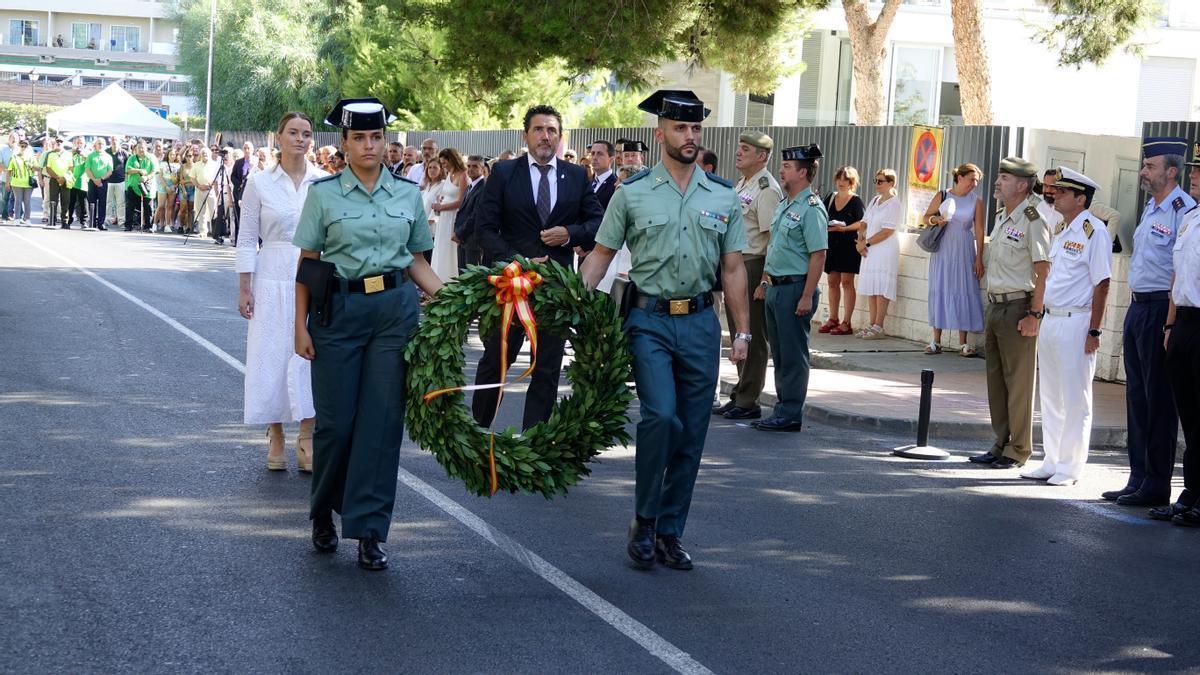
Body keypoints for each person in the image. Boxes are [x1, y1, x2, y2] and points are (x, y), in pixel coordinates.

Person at [580, 90, 748, 571]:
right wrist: (573, 306)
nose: (690, 136)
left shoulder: (722, 195)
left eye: (696, 129)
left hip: (699, 322)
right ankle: (645, 519)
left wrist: (743, 333)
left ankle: (671, 532)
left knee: (692, 433)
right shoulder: (631, 194)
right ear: (661, 135)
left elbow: (734, 270)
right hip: (648, 320)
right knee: (661, 417)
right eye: (680, 128)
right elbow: (601, 257)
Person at [292, 97, 442, 571]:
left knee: (380, 425)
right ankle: (323, 511)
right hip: (339, 312)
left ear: (385, 141)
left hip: (394, 314)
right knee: (336, 424)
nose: (369, 145)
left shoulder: (406, 194)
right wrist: (300, 326)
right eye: (359, 138)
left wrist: (454, 299)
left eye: (376, 137)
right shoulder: (324, 194)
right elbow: (309, 265)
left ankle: (370, 530)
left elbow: (418, 261)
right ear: (345, 143)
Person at [472, 104, 603, 431]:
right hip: (511, 285)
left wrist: (570, 233)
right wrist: (517, 260)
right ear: (525, 135)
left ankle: (535, 440)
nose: (546, 136)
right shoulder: (504, 173)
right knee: (496, 360)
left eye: (552, 131)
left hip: (556, 290)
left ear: (560, 137)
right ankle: (477, 431)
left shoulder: (575, 175)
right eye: (539, 130)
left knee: (547, 367)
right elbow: (484, 229)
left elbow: (598, 221)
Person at [1103, 137, 1195, 506]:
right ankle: (1137, 477)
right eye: (1144, 165)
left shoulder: (1182, 210)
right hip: (1138, 307)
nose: (1142, 171)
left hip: (1161, 309)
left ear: (1172, 171)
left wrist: (1170, 323)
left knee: (1159, 399)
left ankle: (1157, 482)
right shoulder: (1150, 209)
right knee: (1137, 396)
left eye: (1150, 166)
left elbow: (1179, 271)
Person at [237, 113, 322, 472]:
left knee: (310, 353)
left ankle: (307, 434)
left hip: (313, 272)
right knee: (271, 353)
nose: (300, 139)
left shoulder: (323, 182)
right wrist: (245, 287)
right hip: (271, 273)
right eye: (293, 133)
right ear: (279, 137)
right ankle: (275, 435)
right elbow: (245, 237)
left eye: (306, 134)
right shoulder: (258, 182)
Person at [1019, 168, 1110, 486]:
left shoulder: (1093, 231)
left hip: (1076, 321)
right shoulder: (1062, 229)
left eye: (1062, 192)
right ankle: (1052, 460)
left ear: (1080, 198)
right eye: (1055, 191)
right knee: (1051, 396)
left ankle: (1070, 467)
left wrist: (1094, 331)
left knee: (1075, 398)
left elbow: (1102, 284)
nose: (1054, 195)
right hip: (1052, 319)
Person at [969, 157, 1051, 471]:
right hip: (996, 305)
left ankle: (1018, 449)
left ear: (1022, 184)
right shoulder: (1004, 216)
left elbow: (1043, 272)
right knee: (996, 381)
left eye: (1004, 177)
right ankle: (999, 443)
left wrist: (1035, 314)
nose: (997, 182)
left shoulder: (1033, 219)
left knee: (1018, 384)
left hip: (1019, 306)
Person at [753, 144, 828, 433]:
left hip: (796, 288)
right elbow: (774, 247)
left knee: (794, 355)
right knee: (780, 353)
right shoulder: (785, 205)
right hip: (776, 287)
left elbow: (818, 254)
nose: (781, 170)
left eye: (787, 167)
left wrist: (807, 295)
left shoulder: (811, 208)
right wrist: (763, 281)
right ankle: (782, 409)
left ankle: (790, 412)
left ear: (803, 172)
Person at [714, 131, 782, 421]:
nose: (738, 153)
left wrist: (765, 279)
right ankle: (741, 391)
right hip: (737, 264)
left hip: (754, 265)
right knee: (738, 332)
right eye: (739, 148)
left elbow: (772, 238)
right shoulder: (744, 182)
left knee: (751, 334)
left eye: (745, 149)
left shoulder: (767, 188)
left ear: (762, 156)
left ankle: (749, 398)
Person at [1152, 143, 1200, 525]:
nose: (1193, 175)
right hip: (1183, 323)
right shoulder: (1190, 218)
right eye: (1194, 168)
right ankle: (1191, 493)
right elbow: (1176, 276)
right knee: (1191, 417)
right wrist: (1169, 325)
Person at [922, 163, 985, 355]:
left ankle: (963, 343)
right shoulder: (943, 195)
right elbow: (926, 218)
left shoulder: (976, 201)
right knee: (940, 287)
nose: (974, 183)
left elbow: (980, 230)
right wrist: (936, 220)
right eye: (971, 179)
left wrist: (979, 258)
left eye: (977, 180)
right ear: (960, 177)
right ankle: (936, 341)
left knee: (963, 289)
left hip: (965, 249)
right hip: (943, 249)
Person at [851, 169, 902, 339]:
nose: (877, 184)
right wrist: (860, 240)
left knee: (881, 287)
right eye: (876, 181)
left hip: (884, 249)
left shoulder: (894, 203)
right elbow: (864, 223)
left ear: (890, 183)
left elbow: (888, 230)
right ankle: (872, 324)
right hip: (870, 248)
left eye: (881, 181)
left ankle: (879, 326)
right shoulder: (875, 200)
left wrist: (866, 242)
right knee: (872, 286)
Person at [820, 166, 866, 336]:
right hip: (832, 243)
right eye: (839, 179)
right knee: (832, 281)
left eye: (845, 179)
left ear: (851, 182)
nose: (841, 182)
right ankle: (833, 318)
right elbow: (821, 215)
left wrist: (845, 228)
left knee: (847, 282)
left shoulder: (856, 201)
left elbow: (862, 222)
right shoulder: (830, 198)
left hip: (848, 244)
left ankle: (847, 322)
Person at [429, 148, 468, 280]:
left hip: (454, 217)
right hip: (444, 218)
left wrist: (442, 206)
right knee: (441, 248)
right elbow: (448, 193)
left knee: (450, 249)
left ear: (452, 160)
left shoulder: (463, 175)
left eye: (445, 163)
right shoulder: (449, 174)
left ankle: (450, 279)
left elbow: (461, 201)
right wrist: (441, 199)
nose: (443, 166)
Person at [453, 154, 487, 269]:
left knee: (471, 278)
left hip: (473, 240)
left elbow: (475, 215)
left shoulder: (484, 188)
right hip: (464, 239)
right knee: (462, 274)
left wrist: (459, 233)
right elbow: (462, 212)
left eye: (475, 166)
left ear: (482, 169)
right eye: (469, 166)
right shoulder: (470, 187)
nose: (471, 169)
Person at [124, 141, 155, 232]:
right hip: (133, 186)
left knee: (148, 207)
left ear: (146, 148)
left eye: (142, 148)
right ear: (136, 149)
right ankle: (128, 225)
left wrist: (147, 177)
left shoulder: (151, 158)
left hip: (146, 187)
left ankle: (148, 226)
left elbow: (154, 171)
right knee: (130, 207)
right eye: (139, 148)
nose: (141, 150)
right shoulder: (132, 158)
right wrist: (139, 171)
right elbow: (128, 170)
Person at [84, 138, 113, 231]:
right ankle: (92, 222)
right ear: (95, 145)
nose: (100, 145)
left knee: (102, 203)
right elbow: (87, 169)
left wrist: (101, 179)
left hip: (103, 182)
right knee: (92, 202)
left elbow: (110, 170)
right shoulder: (91, 156)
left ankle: (101, 223)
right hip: (92, 181)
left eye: (102, 144)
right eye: (99, 143)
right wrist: (94, 179)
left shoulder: (108, 156)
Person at [43, 138, 70, 229]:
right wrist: (57, 177)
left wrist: (63, 177)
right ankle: (52, 220)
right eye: (57, 142)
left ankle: (64, 221)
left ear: (63, 143)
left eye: (60, 142)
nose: (59, 143)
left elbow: (71, 168)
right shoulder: (50, 154)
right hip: (54, 180)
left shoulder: (68, 154)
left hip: (65, 180)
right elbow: (48, 168)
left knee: (65, 201)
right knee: (53, 201)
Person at [6, 139, 34, 226]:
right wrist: (7, 182)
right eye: (22, 146)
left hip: (28, 183)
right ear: (19, 147)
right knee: (18, 201)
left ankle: (27, 219)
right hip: (16, 183)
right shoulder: (14, 157)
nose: (24, 148)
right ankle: (17, 218)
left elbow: (37, 168)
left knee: (27, 201)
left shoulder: (31, 157)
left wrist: (30, 165)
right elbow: (9, 171)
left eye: (25, 146)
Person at [154, 147, 179, 233]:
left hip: (173, 185)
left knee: (169, 206)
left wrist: (174, 186)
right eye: (171, 154)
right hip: (163, 185)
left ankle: (167, 225)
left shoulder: (178, 165)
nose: (172, 156)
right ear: (167, 155)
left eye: (174, 154)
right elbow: (160, 176)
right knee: (160, 206)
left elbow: (178, 178)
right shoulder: (163, 164)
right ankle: (154, 224)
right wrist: (166, 186)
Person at [588, 140, 617, 210]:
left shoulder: (615, 185)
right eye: (592, 153)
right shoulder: (588, 182)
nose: (594, 157)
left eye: (599, 154)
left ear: (611, 159)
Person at [106, 139, 128, 228]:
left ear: (119, 141)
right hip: (108, 181)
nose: (114, 141)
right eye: (112, 140)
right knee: (108, 202)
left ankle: (121, 222)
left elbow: (127, 167)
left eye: (115, 140)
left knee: (121, 203)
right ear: (110, 141)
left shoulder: (124, 153)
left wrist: (126, 180)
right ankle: (106, 220)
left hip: (121, 181)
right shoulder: (106, 152)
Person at [67, 137, 88, 229]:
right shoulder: (70, 153)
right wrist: (73, 151)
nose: (79, 144)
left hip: (82, 181)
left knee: (83, 203)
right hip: (71, 181)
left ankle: (84, 221)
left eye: (81, 143)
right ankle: (68, 221)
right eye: (78, 143)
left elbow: (90, 162)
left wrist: (82, 154)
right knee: (70, 202)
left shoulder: (87, 153)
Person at [177, 146, 196, 234]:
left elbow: (195, 180)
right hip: (183, 188)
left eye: (191, 156)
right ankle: (181, 226)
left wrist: (188, 180)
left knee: (191, 209)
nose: (189, 157)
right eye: (187, 156)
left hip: (193, 189)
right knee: (183, 208)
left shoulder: (196, 166)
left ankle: (189, 227)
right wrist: (184, 189)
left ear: (193, 156)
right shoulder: (183, 166)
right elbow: (181, 180)